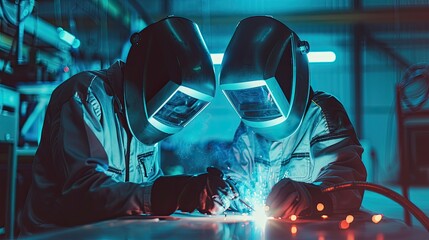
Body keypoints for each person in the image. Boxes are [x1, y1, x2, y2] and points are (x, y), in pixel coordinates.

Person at [18, 16, 235, 235]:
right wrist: (172, 193)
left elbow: (147, 186)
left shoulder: (148, 116)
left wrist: (190, 190)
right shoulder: (85, 95)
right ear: (150, 79)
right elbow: (83, 194)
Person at [219, 16, 367, 218]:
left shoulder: (322, 114)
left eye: (263, 93)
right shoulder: (249, 126)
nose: (258, 103)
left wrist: (313, 196)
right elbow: (237, 179)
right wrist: (225, 193)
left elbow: (346, 175)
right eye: (247, 95)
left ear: (288, 79)